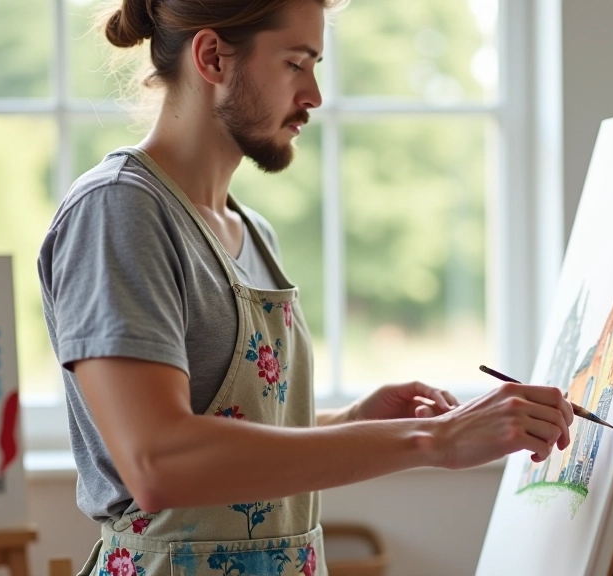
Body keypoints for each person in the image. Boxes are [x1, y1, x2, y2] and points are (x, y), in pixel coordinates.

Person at [36, 0, 574, 574]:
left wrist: (354, 420)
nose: (314, 95)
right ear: (213, 57)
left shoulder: (253, 233)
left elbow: (236, 433)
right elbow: (159, 462)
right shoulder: (118, 211)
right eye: (297, 63)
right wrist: (432, 439)